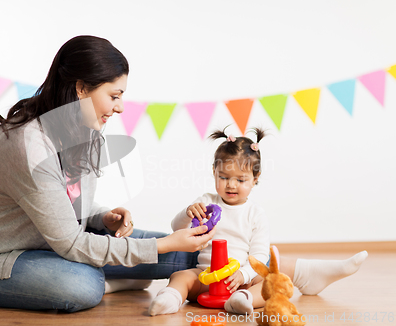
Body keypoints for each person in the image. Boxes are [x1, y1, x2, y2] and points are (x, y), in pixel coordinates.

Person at [0, 35, 216, 313]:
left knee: (195, 256)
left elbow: (64, 206)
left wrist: (101, 216)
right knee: (83, 285)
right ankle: (110, 278)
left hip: (48, 243)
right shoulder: (29, 146)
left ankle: (118, 274)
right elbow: (71, 242)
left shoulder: (82, 129)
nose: (120, 107)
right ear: (82, 89)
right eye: (114, 96)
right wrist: (163, 244)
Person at [149, 127, 368, 316]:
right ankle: (169, 299)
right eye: (223, 177)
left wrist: (243, 275)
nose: (231, 185)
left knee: (272, 283)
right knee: (181, 276)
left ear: (256, 178)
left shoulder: (255, 214)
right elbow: (176, 229)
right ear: (214, 172)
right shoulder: (205, 202)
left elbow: (260, 255)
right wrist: (188, 213)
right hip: (204, 276)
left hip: (239, 279)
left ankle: (243, 300)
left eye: (241, 179)